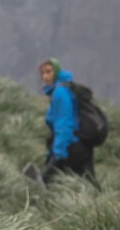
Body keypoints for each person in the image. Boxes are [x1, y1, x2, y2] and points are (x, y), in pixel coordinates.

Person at [36, 58, 101, 190]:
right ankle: (106, 206)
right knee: (89, 186)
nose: (45, 76)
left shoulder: (60, 92)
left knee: (51, 185)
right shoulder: (66, 87)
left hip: (71, 148)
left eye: (49, 72)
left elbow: (64, 125)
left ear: (57, 71)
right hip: (81, 147)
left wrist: (57, 155)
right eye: (43, 73)